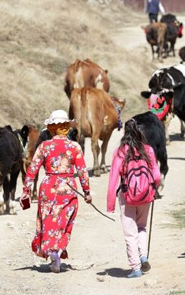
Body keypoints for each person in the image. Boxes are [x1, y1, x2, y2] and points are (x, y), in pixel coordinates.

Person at [22, 110, 92, 273]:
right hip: (68, 187)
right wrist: (87, 191)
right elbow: (82, 171)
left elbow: (32, 169)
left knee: (48, 221)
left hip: (48, 187)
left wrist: (26, 190)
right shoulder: (74, 147)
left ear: (52, 128)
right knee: (65, 220)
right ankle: (58, 250)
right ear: (66, 127)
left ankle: (52, 251)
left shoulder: (44, 146)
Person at [106, 118, 161, 278]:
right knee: (142, 227)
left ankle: (136, 267)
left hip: (127, 195)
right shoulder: (148, 149)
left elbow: (113, 178)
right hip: (146, 194)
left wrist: (110, 204)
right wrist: (153, 188)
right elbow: (156, 176)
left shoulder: (120, 151)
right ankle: (143, 255)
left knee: (130, 232)